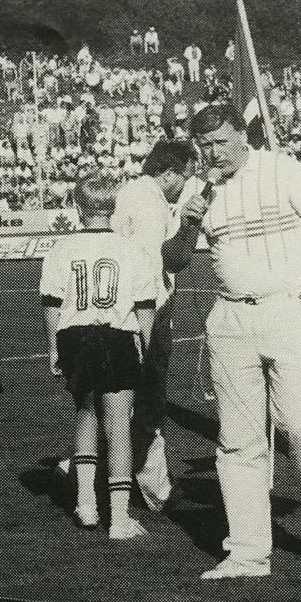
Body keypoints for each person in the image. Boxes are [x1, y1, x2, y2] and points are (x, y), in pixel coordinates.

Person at [179, 103, 301, 578]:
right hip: (229, 318)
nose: (212, 153)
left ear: (242, 135)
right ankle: (248, 552)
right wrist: (188, 223)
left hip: (288, 310)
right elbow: (174, 260)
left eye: (220, 142)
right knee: (238, 442)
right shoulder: (200, 191)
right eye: (204, 145)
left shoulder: (282, 169)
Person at [41, 171, 157, 540]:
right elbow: (145, 307)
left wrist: (53, 347)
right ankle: (119, 518)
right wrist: (148, 352)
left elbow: (52, 304)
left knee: (86, 415)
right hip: (116, 336)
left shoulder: (61, 249)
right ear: (115, 207)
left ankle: (87, 503)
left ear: (77, 206)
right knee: (118, 426)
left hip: (75, 336)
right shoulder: (131, 249)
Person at [112, 141, 198, 511]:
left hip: (125, 307)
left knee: (121, 400)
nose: (185, 186)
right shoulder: (147, 203)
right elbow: (166, 260)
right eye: (185, 177)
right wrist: (191, 222)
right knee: (148, 400)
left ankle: (85, 470)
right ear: (168, 174)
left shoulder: (135, 194)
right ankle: (155, 487)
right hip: (145, 310)